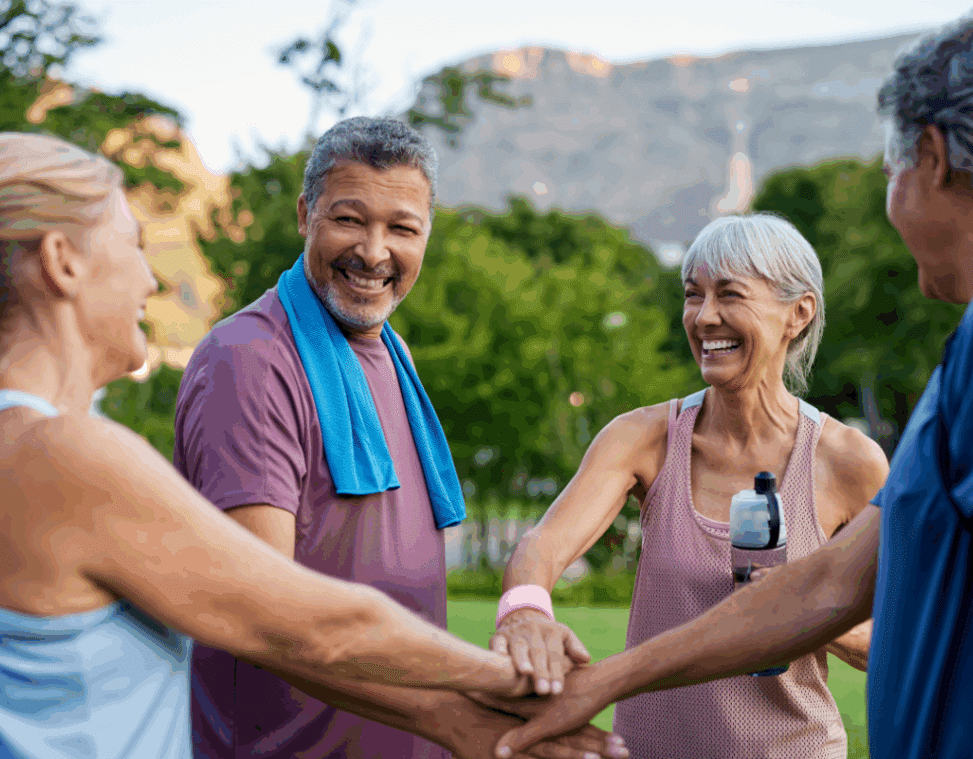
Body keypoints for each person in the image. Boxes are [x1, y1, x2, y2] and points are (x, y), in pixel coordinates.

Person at [493, 7, 973, 759]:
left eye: (890, 171)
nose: (704, 316)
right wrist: (604, 678)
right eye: (691, 292)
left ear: (931, 159)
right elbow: (827, 587)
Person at [0, 132, 628, 759]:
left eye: (403, 227)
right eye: (133, 243)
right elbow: (298, 623)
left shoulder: (41, 447)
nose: (153, 276)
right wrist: (521, 684)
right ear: (62, 260)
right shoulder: (63, 452)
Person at [490, 212, 885, 758]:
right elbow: (544, 544)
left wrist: (791, 598)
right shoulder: (643, 438)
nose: (705, 317)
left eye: (730, 295)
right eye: (692, 295)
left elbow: (893, 637)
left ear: (798, 313)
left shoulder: (848, 462)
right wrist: (526, 610)